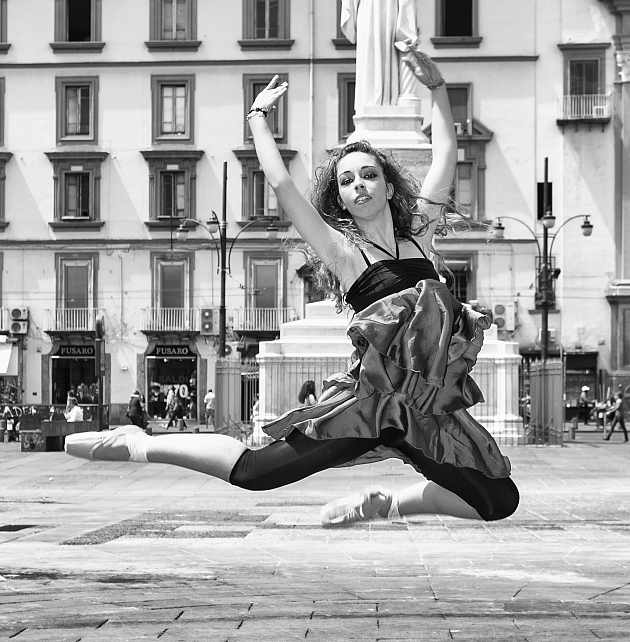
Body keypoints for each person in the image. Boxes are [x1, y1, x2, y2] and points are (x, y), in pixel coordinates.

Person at [66, 48, 519, 529]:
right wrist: (258, 118)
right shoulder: (345, 252)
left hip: (428, 409)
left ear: (389, 186)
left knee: (499, 500)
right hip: (372, 407)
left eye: (369, 175)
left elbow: (446, 155)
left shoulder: (420, 235)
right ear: (340, 198)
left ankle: (386, 503)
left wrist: (437, 90)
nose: (359, 185)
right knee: (255, 472)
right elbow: (282, 184)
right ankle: (138, 442)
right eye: (347, 181)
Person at [324, 0, 418, 115]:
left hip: (367, 24)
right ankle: (387, 101)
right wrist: (408, 31)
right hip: (390, 24)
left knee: (369, 61)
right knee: (389, 59)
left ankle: (370, 101)